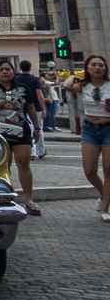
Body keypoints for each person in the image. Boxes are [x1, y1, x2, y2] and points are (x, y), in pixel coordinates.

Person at [0, 58, 42, 216]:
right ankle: (7, 196)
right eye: (1, 69)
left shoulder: (23, 88)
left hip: (21, 130)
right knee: (3, 166)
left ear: (13, 71)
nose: (4, 72)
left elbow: (30, 107)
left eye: (7, 69)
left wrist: (37, 127)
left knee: (24, 163)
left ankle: (29, 199)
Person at [62, 54, 110, 221]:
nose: (98, 68)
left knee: (108, 170)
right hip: (90, 129)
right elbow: (67, 86)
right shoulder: (84, 85)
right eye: (94, 65)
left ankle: (105, 210)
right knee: (89, 171)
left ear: (105, 68)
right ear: (88, 68)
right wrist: (75, 75)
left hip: (108, 128)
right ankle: (105, 194)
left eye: (101, 65)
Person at [18, 59, 48, 159]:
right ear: (30, 68)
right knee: (38, 128)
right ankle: (40, 151)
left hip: (21, 106)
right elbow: (39, 93)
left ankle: (31, 151)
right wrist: (43, 108)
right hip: (35, 106)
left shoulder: (16, 78)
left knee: (27, 128)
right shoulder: (34, 79)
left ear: (20, 68)